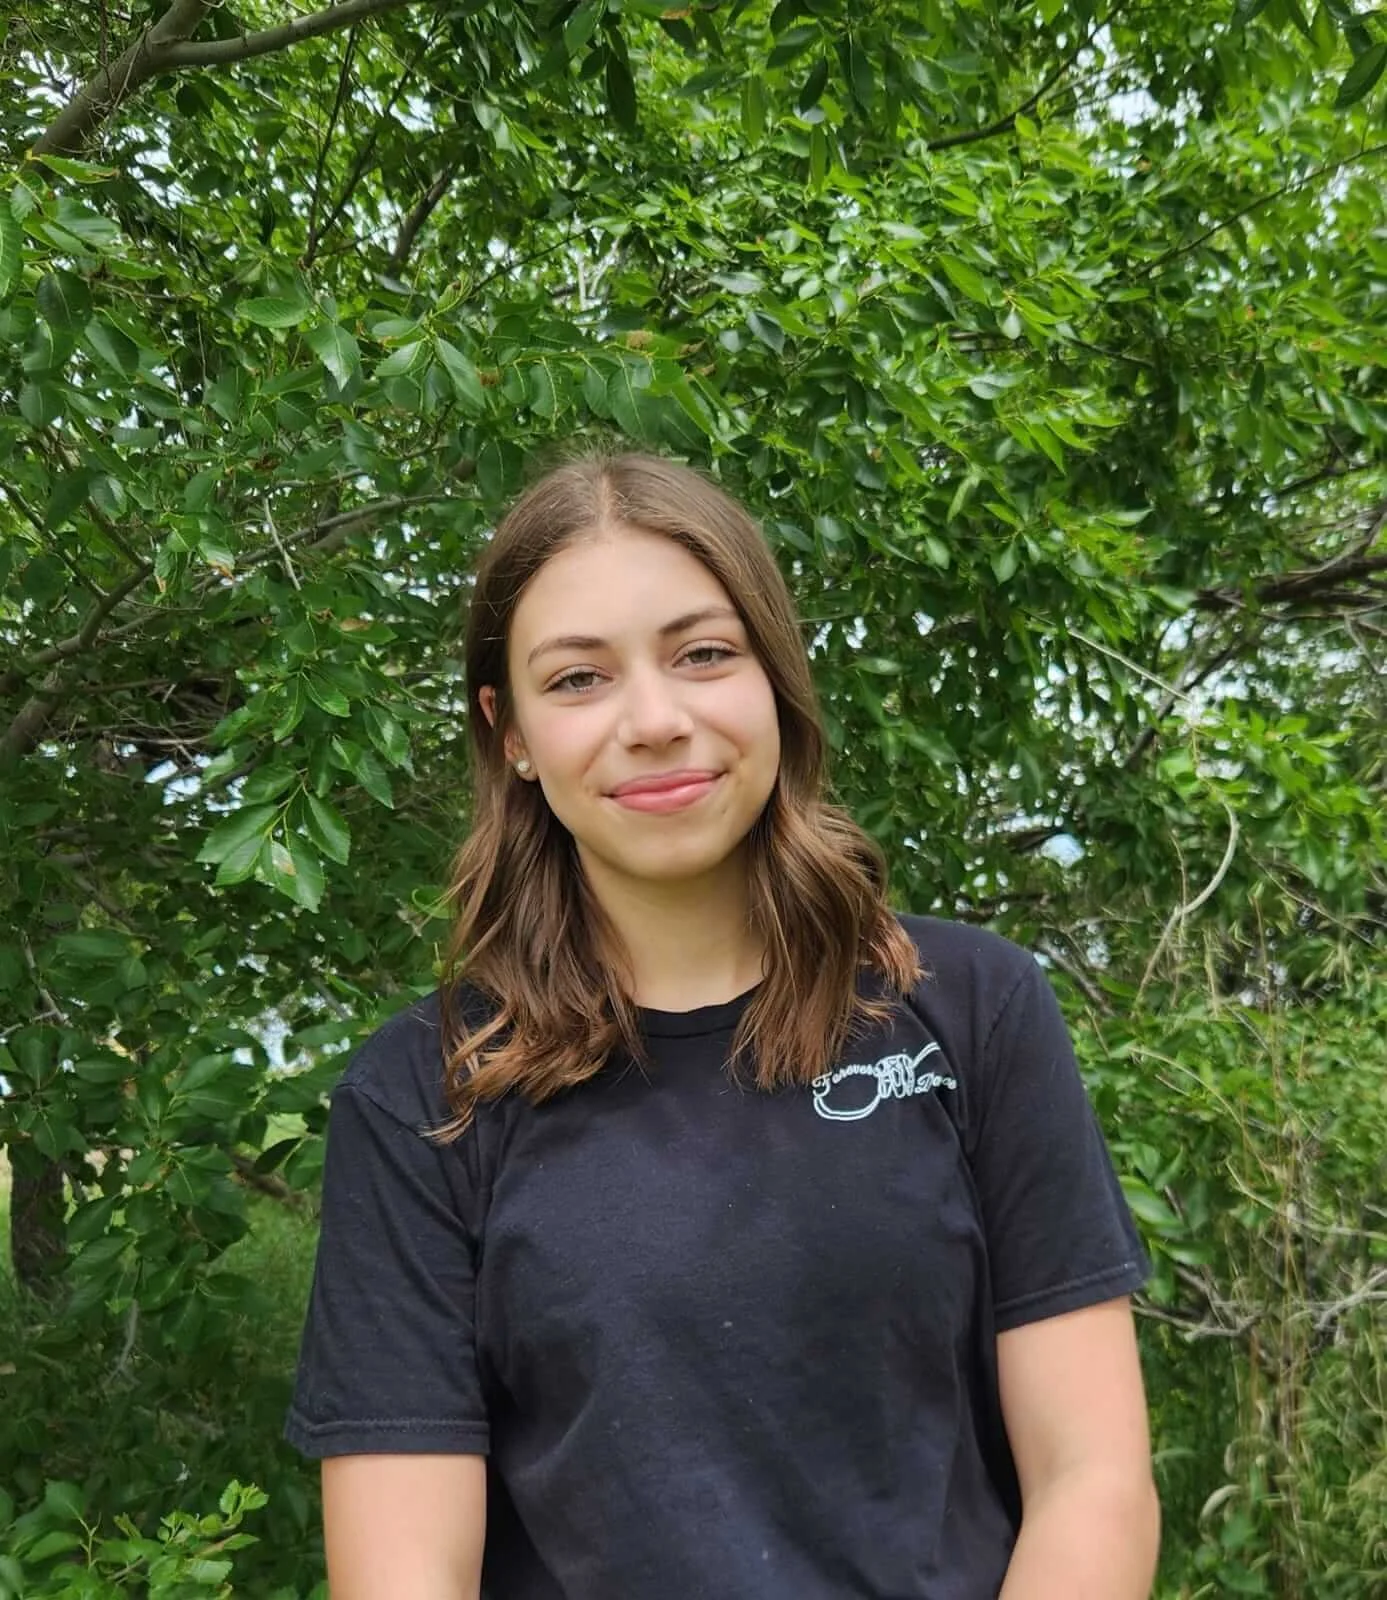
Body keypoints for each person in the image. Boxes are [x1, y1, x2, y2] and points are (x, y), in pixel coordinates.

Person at [285, 450, 1160, 1599]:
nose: (653, 720)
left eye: (703, 654)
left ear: (774, 678)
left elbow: (1090, 1476)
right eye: (578, 679)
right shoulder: (426, 1097)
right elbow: (406, 1573)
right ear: (508, 731)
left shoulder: (972, 1007)